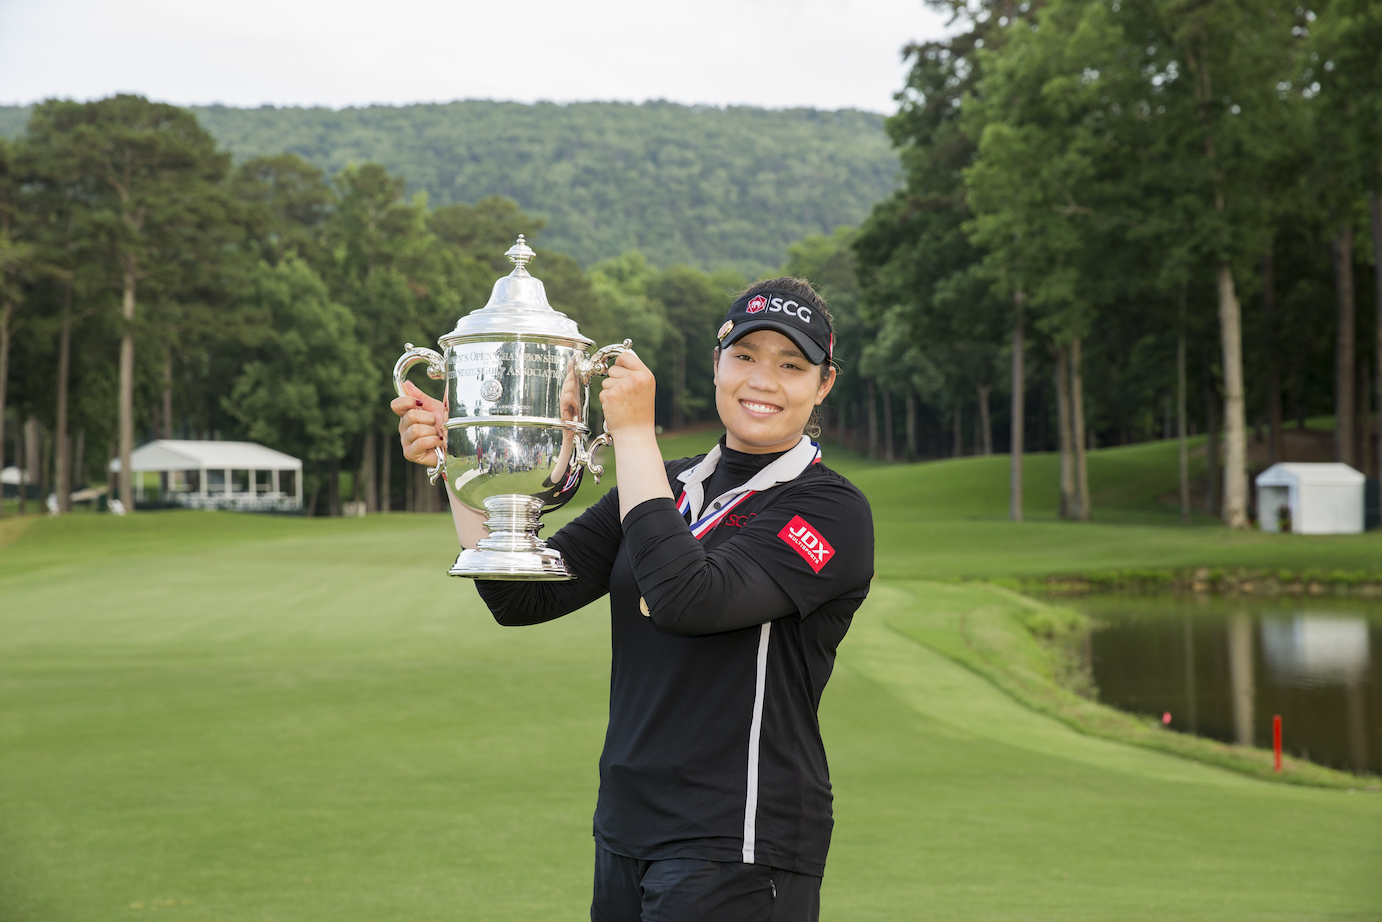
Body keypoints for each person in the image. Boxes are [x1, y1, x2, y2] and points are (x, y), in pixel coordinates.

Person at [393, 277, 875, 922]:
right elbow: (519, 597)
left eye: (791, 366)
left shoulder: (827, 508)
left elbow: (688, 600)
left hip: (738, 839)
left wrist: (632, 436)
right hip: (627, 828)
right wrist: (465, 467)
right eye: (745, 357)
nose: (763, 380)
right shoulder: (666, 483)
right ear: (716, 364)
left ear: (824, 385)